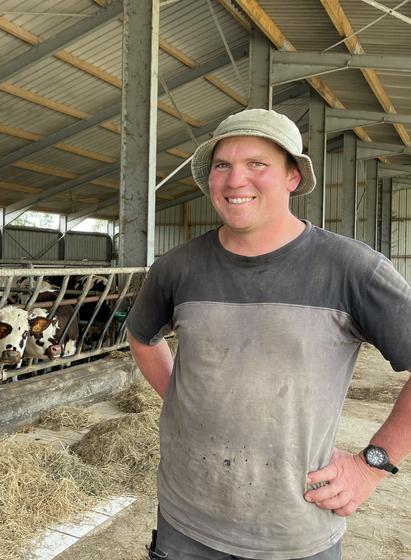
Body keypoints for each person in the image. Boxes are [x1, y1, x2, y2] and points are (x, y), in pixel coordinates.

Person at [127, 108, 411, 560]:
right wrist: (184, 399)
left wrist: (372, 464)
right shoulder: (176, 268)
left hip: (293, 531)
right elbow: (142, 337)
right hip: (185, 520)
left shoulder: (352, 269)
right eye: (223, 165)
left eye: (257, 164)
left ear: (292, 177)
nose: (235, 180)